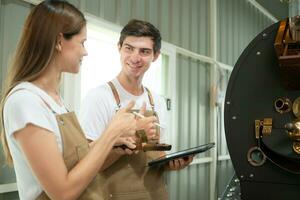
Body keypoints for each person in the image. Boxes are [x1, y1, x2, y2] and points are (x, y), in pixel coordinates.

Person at [0, 1, 140, 199]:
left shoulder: (55, 100)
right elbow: (62, 193)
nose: (85, 51)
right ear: (59, 41)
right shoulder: (25, 101)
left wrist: (112, 144)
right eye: (82, 42)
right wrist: (111, 132)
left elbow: (71, 160)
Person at [80, 19, 193, 199]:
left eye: (144, 51)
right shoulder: (99, 97)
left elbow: (157, 154)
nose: (135, 57)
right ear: (119, 48)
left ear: (155, 56)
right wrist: (131, 139)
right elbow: (86, 164)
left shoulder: (157, 101)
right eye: (129, 48)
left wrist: (170, 163)